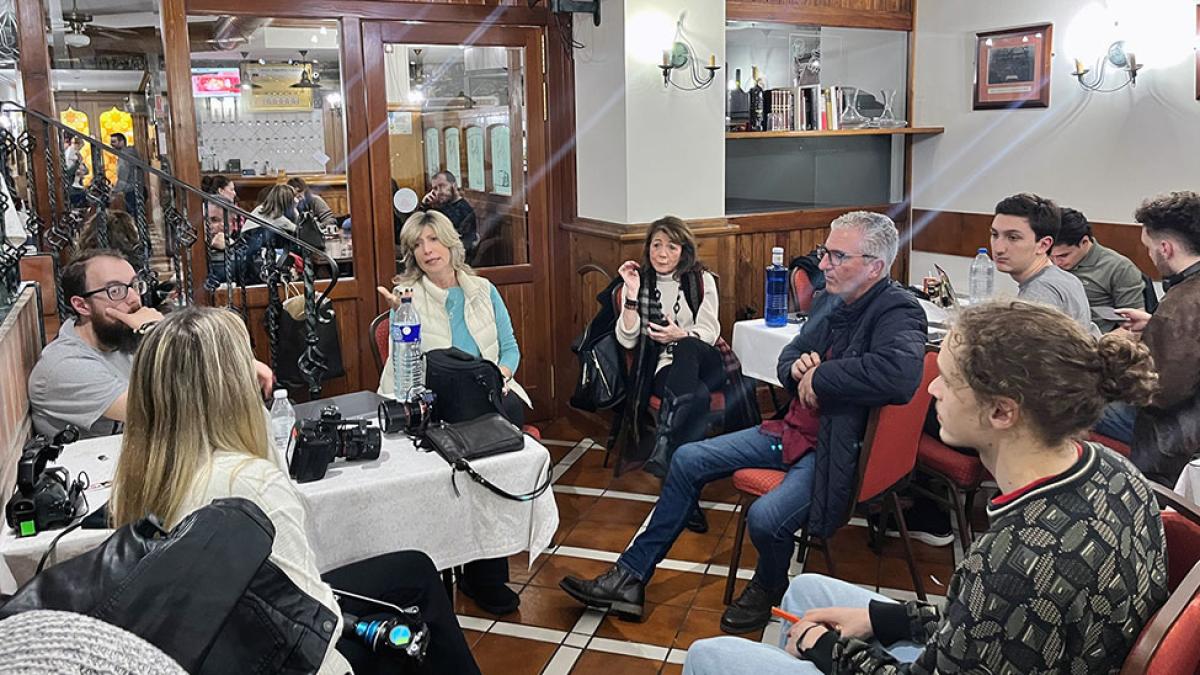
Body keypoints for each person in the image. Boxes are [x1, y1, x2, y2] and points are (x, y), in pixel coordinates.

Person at [682, 300, 1167, 675]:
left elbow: (986, 615)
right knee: (807, 589)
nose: (930, 388)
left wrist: (829, 650)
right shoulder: (1113, 470)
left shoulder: (1015, 560)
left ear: (1002, 411)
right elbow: (984, 624)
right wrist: (886, 621)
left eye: (949, 380)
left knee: (712, 655)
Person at [560, 212, 927, 634]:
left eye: (835, 255)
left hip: (832, 449)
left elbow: (899, 375)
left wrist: (819, 376)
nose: (821, 264)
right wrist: (798, 370)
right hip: (790, 431)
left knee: (766, 517)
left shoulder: (897, 309)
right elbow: (788, 357)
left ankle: (770, 585)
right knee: (687, 458)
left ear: (874, 267)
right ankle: (629, 577)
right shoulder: (830, 301)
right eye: (825, 252)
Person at [108, 306, 480, 675]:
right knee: (403, 630)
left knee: (412, 570)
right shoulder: (249, 481)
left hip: (211, 641)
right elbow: (313, 616)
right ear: (234, 386)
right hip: (279, 654)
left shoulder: (143, 473)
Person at [375, 210, 528, 616]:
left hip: (492, 394)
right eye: (417, 245)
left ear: (450, 243)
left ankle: (486, 575)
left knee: (499, 451)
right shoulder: (408, 298)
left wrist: (501, 376)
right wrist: (400, 316)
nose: (426, 250)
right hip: (438, 403)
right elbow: (405, 369)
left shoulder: (483, 289)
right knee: (451, 470)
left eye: (433, 240)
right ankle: (443, 569)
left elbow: (510, 347)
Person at [27, 250, 272, 438]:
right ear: (82, 305)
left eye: (134, 285)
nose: (134, 298)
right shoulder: (65, 367)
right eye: (116, 290)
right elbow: (166, 411)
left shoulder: (122, 339)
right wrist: (159, 331)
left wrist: (237, 362)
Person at [611, 216, 724, 534]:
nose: (661, 253)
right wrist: (632, 293)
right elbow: (627, 339)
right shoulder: (638, 282)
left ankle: (664, 439)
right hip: (662, 366)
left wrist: (680, 334)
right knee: (698, 398)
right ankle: (689, 498)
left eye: (670, 246)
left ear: (683, 250)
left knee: (687, 347)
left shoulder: (701, 280)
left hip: (704, 357)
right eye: (656, 245)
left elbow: (709, 330)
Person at [1104, 191, 1200, 484]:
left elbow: (1158, 393)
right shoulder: (1183, 302)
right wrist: (1156, 325)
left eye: (1149, 247)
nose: (1149, 254)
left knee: (1069, 407)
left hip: (1176, 435)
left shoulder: (1180, 304)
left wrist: (1114, 358)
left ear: (1166, 248)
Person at [990, 193, 1097, 334]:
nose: (999, 248)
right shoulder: (1066, 278)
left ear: (1043, 245)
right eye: (995, 235)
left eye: (1013, 237)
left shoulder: (1039, 293)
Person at [1050, 206, 1146, 332]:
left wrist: (1105, 346)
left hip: (1094, 343)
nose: (1056, 263)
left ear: (1084, 242)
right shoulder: (1044, 261)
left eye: (1063, 255)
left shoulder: (1119, 268)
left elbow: (1133, 327)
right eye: (1050, 256)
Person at [422, 171, 478, 262]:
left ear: (454, 186)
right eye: (435, 188)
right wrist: (425, 205)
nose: (439, 192)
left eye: (443, 186)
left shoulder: (464, 210)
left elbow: (464, 244)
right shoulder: (443, 206)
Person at [200, 175, 242, 285]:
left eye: (227, 221)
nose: (222, 225)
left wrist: (231, 246)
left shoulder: (240, 248)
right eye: (213, 220)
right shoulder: (194, 248)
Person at [110, 133, 141, 222]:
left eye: (114, 142)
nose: (111, 144)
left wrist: (114, 191)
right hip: (134, 188)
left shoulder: (124, 156)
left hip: (130, 190)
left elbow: (123, 178)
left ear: (122, 142)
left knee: (131, 217)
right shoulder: (128, 153)